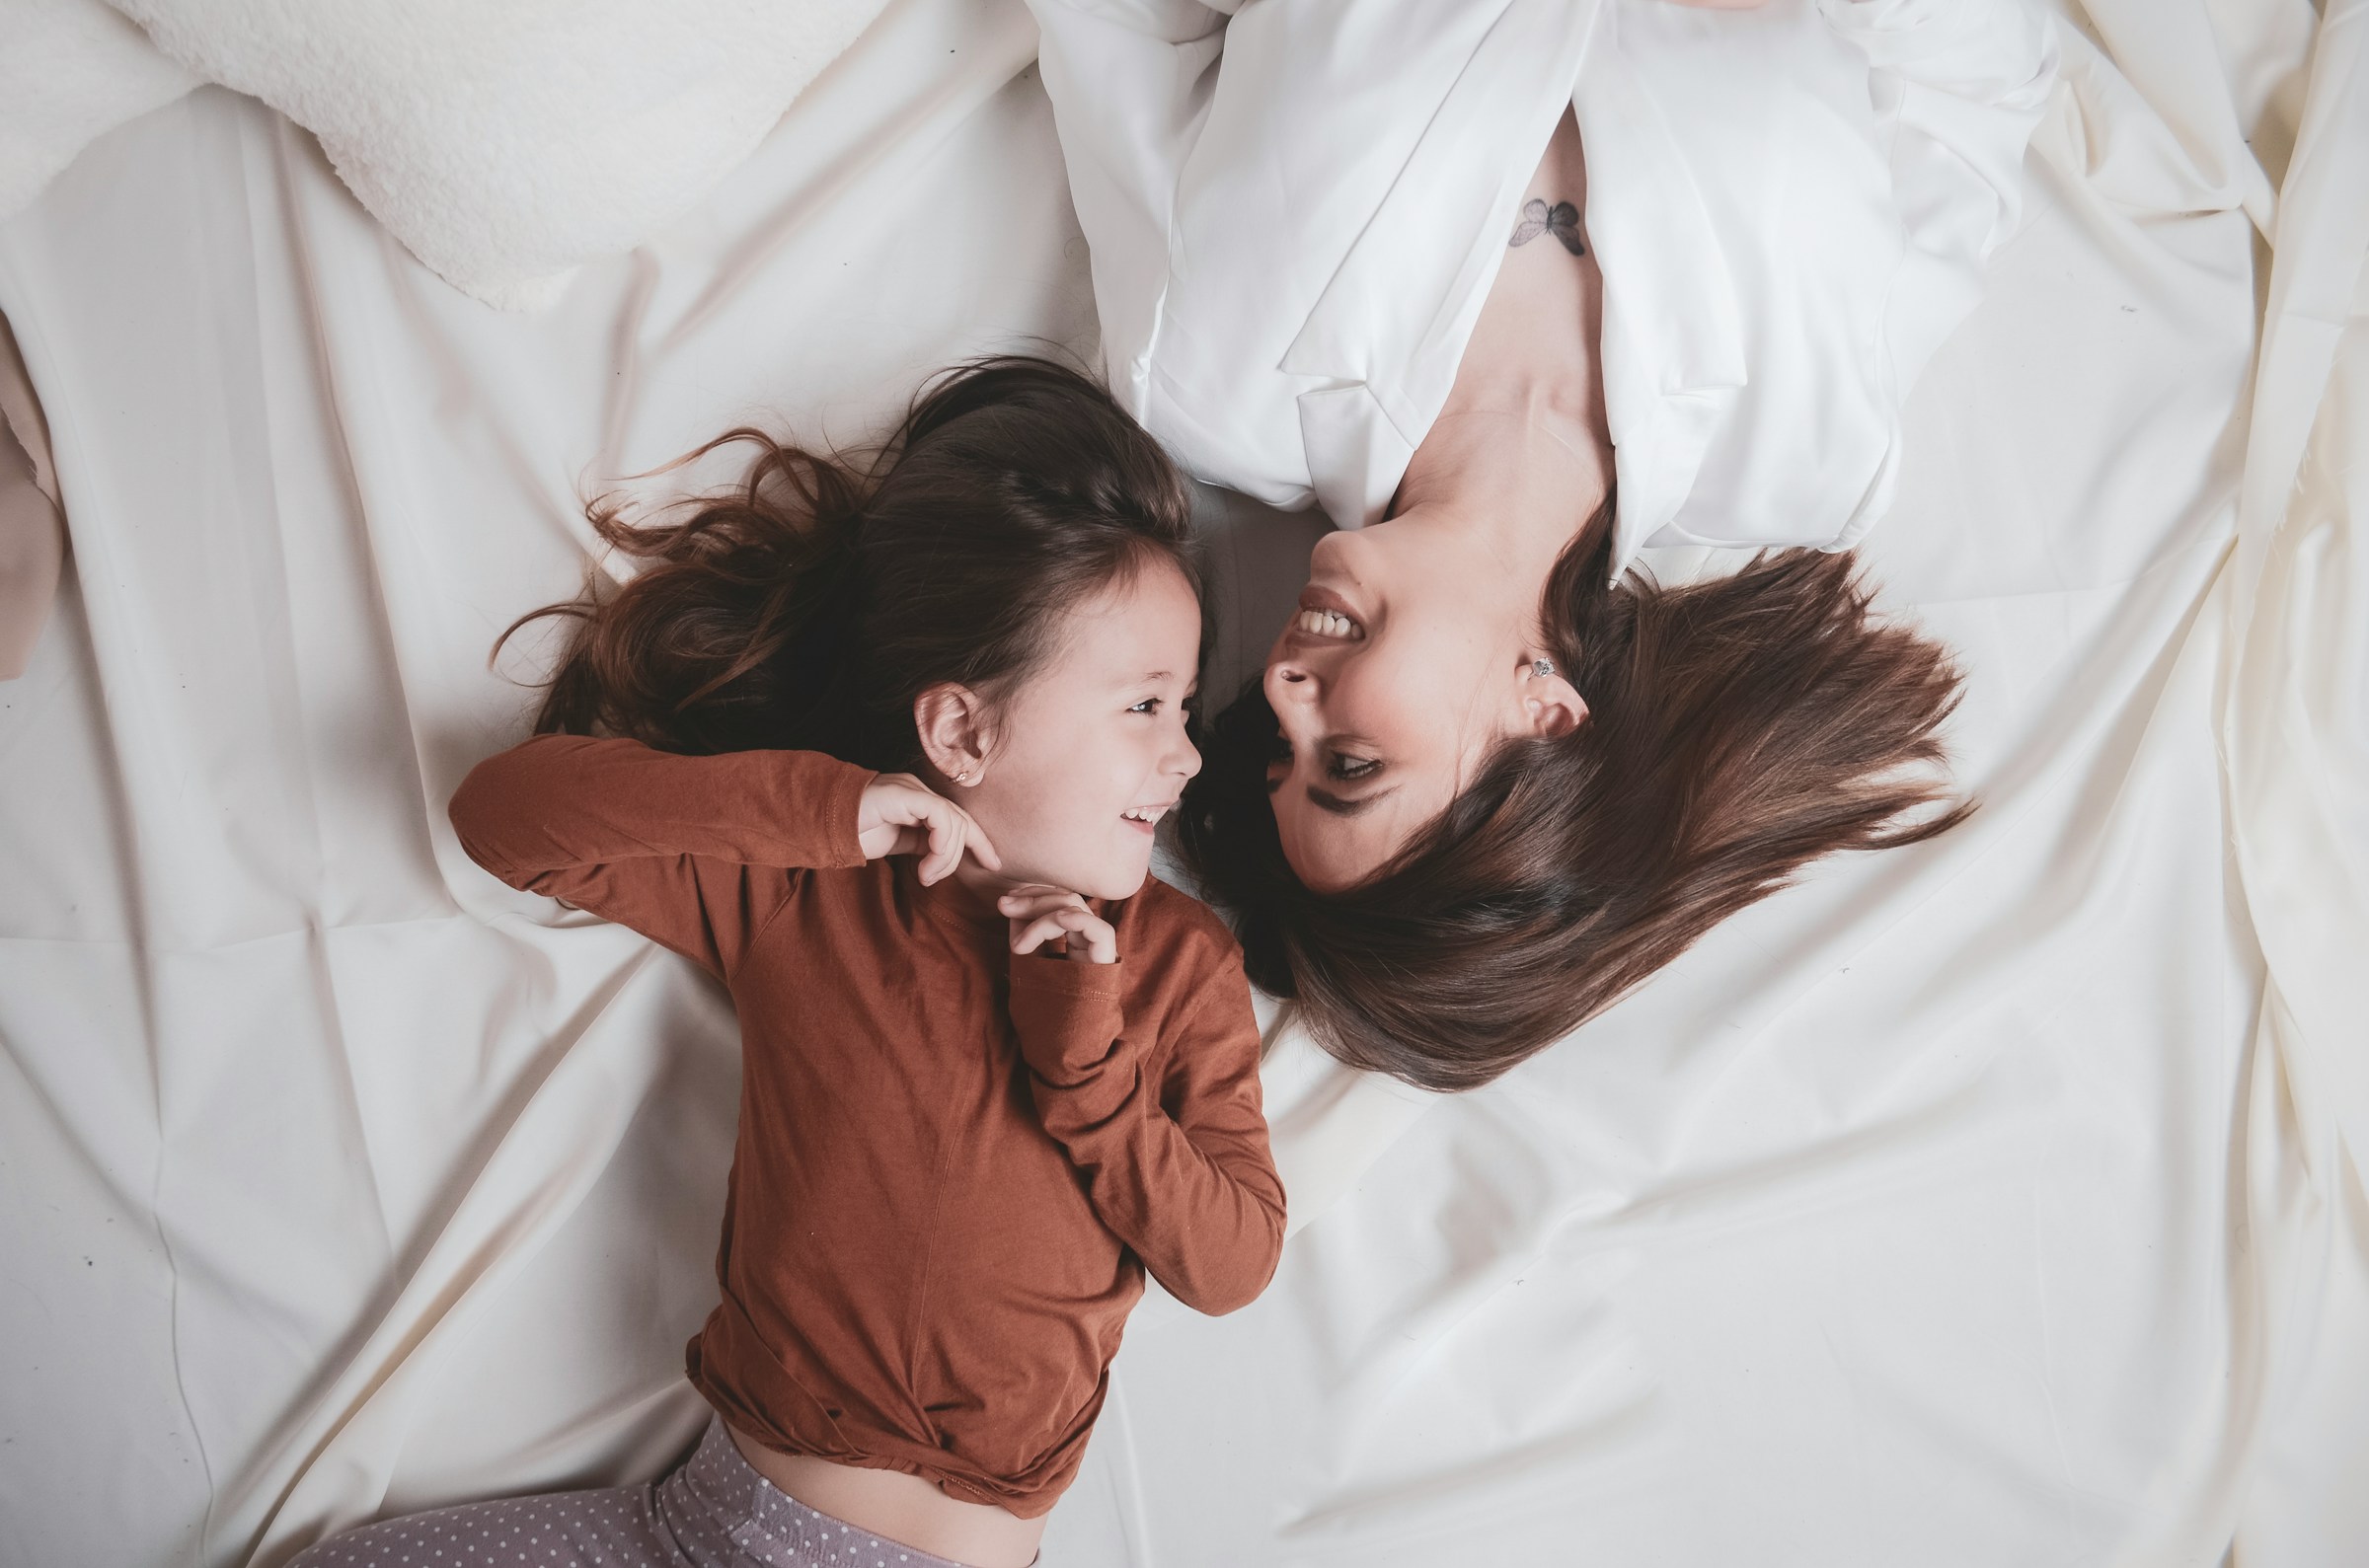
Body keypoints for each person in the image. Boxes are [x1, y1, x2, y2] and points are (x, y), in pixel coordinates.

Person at [292, 359, 1286, 1568]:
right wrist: (815, 807)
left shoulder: (1177, 964)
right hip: (711, 1531)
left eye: (1184, 708)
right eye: (1144, 707)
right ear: (962, 730)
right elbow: (504, 818)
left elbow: (1232, 1261)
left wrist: (1088, 1067)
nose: (1183, 757)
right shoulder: (806, 887)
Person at [1029, 0, 2059, 1088]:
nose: (1283, 686)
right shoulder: (1809, 451)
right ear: (1547, 715)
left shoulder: (1203, 381)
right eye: (1350, 763)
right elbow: (1972, 85)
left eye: (1277, 751)